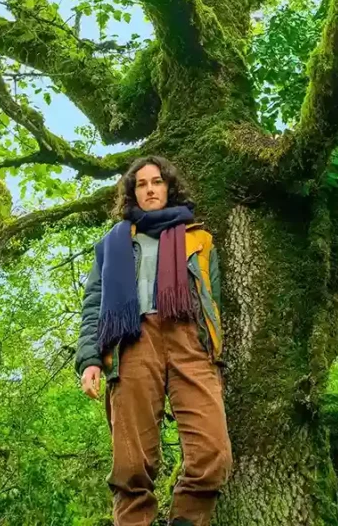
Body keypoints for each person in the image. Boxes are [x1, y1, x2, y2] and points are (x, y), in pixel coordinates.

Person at [75, 155, 232, 526]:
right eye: (141, 184)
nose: (149, 189)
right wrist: (90, 359)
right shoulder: (112, 244)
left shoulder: (199, 238)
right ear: (132, 193)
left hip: (187, 340)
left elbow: (214, 301)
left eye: (156, 181)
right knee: (131, 461)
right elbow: (94, 303)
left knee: (213, 451)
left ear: (169, 187)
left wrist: (210, 347)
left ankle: (187, 519)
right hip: (132, 342)